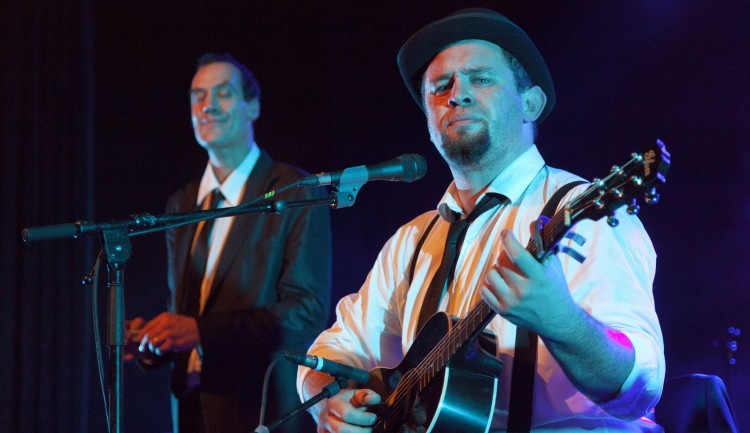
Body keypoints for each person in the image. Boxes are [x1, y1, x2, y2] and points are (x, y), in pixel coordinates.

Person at [296, 8, 665, 432]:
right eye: (440, 87)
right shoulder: (412, 240)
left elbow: (641, 387)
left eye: (481, 79)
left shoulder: (585, 212)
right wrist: (326, 402)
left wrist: (560, 321)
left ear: (530, 104)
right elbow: (333, 351)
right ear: (429, 120)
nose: (457, 95)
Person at [126, 53, 332, 433]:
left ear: (252, 106)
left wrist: (201, 331)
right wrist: (155, 340)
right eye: (198, 96)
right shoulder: (182, 203)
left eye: (223, 93)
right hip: (190, 411)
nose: (208, 105)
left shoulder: (294, 190)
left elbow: (306, 312)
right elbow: (186, 310)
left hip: (262, 410)